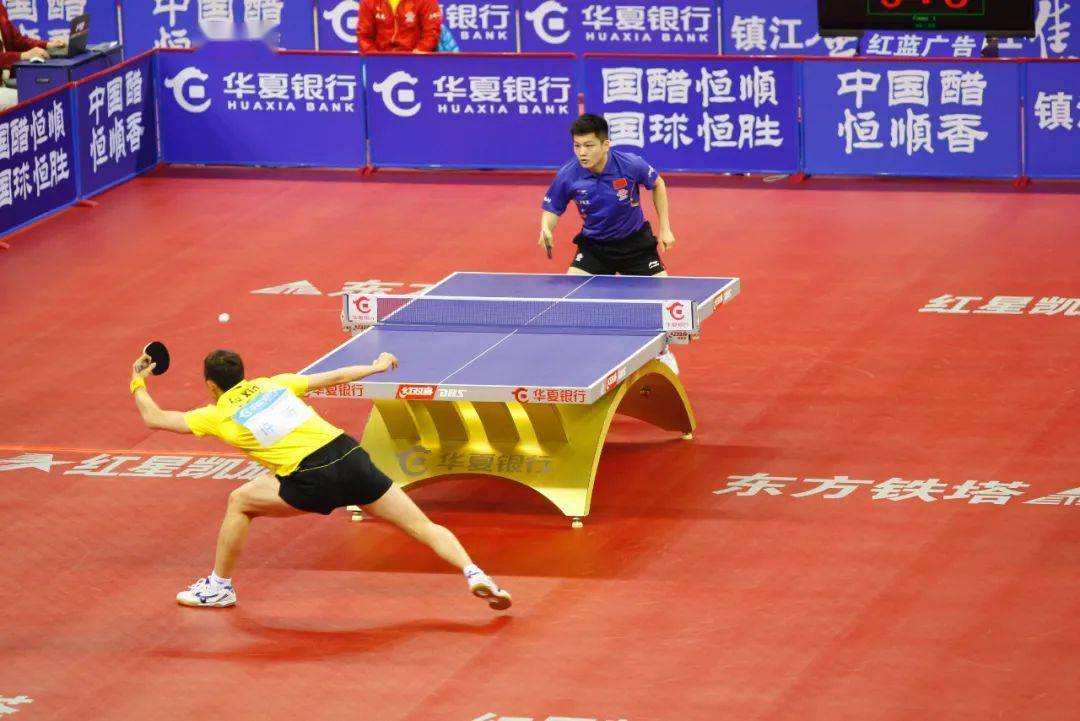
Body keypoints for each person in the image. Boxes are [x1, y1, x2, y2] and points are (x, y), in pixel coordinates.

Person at [129, 348, 512, 611]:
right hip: (350, 455)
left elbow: (155, 418)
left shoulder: (216, 415)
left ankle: (219, 587)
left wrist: (137, 381)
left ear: (211, 386)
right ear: (242, 374)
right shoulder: (274, 383)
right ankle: (475, 573)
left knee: (239, 502)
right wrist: (377, 366)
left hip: (312, 476)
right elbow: (337, 376)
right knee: (422, 526)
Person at [539, 113, 680, 370]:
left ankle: (663, 351)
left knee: (664, 301)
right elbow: (552, 208)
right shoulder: (568, 175)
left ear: (606, 144)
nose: (582, 152)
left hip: (635, 245)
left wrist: (665, 228)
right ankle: (590, 355)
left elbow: (658, 183)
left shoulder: (630, 164)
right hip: (595, 247)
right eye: (577, 146)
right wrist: (546, 227)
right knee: (571, 300)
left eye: (589, 145)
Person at [0, 3, 67, 110]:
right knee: (32, 102)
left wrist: (47, 45)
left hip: (4, 81)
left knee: (44, 91)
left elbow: (17, 40)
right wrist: (23, 56)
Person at [357, 0, 443, 54]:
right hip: (380, 61)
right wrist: (375, 58)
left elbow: (431, 33)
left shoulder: (426, 1)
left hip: (416, 60)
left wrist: (417, 55)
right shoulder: (369, 2)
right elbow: (364, 35)